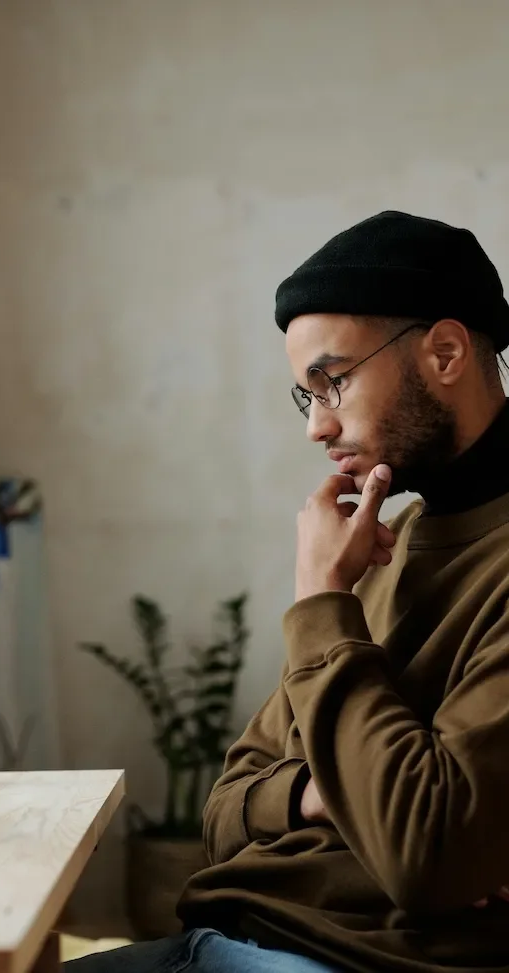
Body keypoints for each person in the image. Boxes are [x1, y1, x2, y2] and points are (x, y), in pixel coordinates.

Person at [66, 211, 509, 973]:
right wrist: (325, 790)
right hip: (229, 936)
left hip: (345, 958)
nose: (317, 427)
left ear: (445, 352)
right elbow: (224, 808)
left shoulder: (351, 577)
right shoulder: (382, 547)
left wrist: (321, 601)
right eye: (307, 396)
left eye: (333, 381)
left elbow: (428, 850)